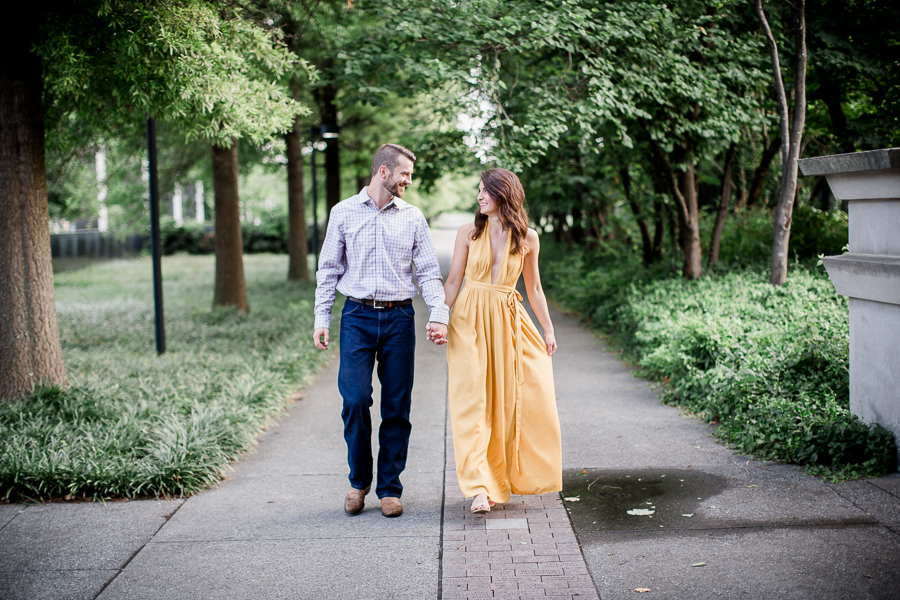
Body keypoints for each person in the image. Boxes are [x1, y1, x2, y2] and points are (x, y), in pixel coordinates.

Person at [313, 143, 448, 518]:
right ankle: (359, 482)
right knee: (354, 399)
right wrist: (321, 318)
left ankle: (390, 488)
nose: (409, 181)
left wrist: (439, 313)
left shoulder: (413, 217)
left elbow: (427, 273)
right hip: (356, 317)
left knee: (396, 406)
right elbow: (328, 270)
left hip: (399, 319)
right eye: (405, 173)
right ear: (383, 172)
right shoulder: (343, 213)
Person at [443, 168, 562, 514]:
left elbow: (535, 288)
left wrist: (549, 329)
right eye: (478, 191)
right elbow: (452, 282)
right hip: (469, 320)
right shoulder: (468, 233)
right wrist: (440, 317)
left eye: (485, 191)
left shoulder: (528, 237)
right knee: (473, 401)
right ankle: (479, 487)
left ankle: (499, 479)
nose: (479, 197)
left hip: (509, 319)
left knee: (511, 399)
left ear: (504, 195)